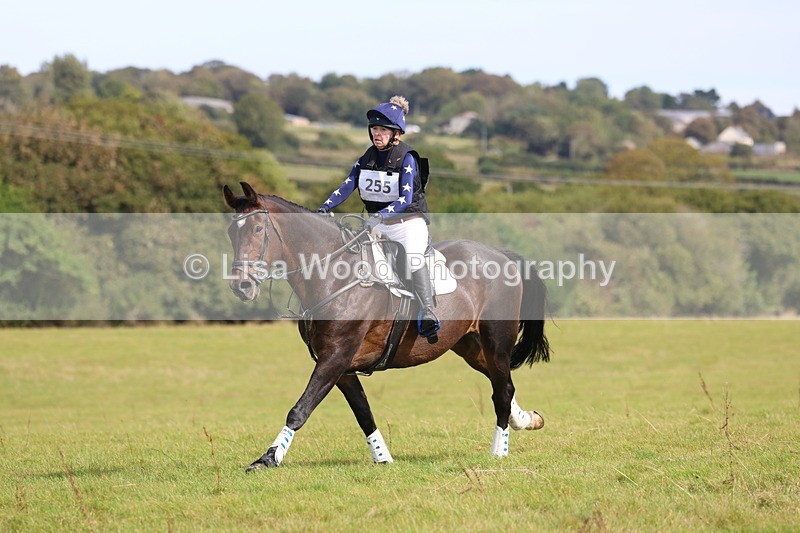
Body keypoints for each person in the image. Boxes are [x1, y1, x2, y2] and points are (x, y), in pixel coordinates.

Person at [318, 96, 440, 343]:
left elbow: (405, 199)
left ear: (396, 134)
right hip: (379, 225)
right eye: (374, 129)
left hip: (409, 224)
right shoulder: (367, 157)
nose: (377, 134)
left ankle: (428, 311)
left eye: (383, 129)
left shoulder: (407, 158)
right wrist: (324, 208)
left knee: (414, 258)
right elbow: (348, 184)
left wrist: (378, 217)